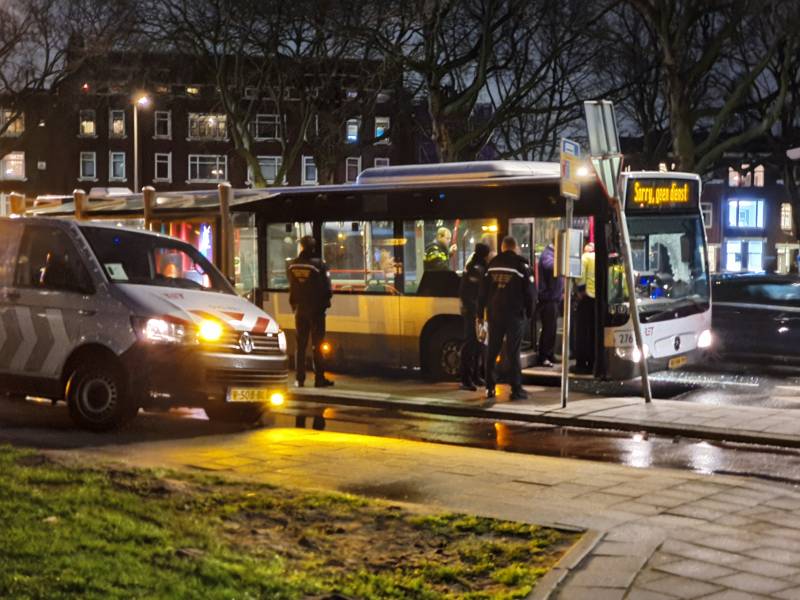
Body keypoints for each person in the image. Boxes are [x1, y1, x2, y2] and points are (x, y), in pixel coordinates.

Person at [478, 236, 536, 400]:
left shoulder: (492, 264)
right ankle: (516, 389)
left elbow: (482, 293)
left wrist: (479, 314)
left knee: (492, 350)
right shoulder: (521, 265)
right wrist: (530, 314)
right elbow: (530, 294)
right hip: (514, 314)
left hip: (494, 314)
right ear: (515, 247)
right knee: (513, 351)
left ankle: (489, 387)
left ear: (503, 247)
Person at [288, 235, 334, 388]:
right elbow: (327, 289)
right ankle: (319, 379)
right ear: (313, 247)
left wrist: (295, 306)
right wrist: (323, 305)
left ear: (301, 247)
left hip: (299, 310)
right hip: (316, 311)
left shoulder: (292, 265)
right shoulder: (319, 265)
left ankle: (299, 379)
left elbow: (292, 289)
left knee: (300, 346)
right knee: (318, 344)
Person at [458, 242, 490, 391]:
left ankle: (476, 376)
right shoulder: (475, 269)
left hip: (478, 313)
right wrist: (475, 311)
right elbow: (470, 294)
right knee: (470, 344)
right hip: (473, 313)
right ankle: (466, 379)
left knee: (478, 345)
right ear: (485, 254)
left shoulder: (479, 266)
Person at [537, 243, 563, 368]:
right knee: (548, 329)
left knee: (552, 328)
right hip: (548, 299)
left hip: (554, 298)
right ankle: (543, 356)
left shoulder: (553, 254)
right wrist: (563, 261)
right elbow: (550, 267)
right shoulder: (548, 254)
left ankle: (550, 353)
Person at [574, 241, 596, 374]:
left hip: (586, 296)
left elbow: (580, 278)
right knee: (593, 332)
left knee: (582, 332)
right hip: (597, 299)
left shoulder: (585, 258)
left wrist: (579, 291)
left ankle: (581, 364)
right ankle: (593, 361)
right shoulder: (599, 258)